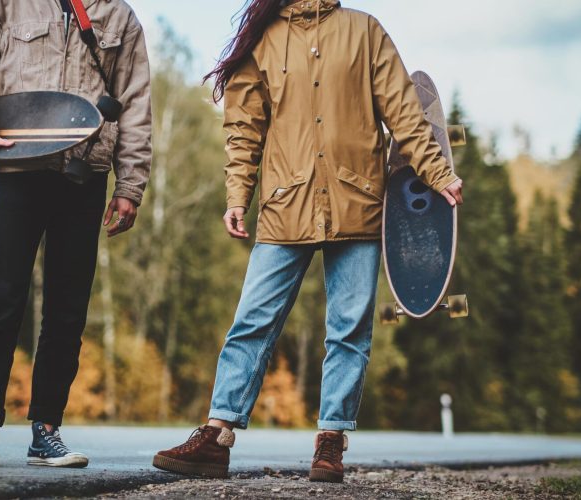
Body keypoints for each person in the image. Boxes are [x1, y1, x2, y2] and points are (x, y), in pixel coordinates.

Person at [152, 0, 463, 483]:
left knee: (349, 329)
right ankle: (216, 437)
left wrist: (437, 172)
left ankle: (331, 442)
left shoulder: (364, 31)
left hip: (358, 202)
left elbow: (404, 111)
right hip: (284, 205)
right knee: (251, 323)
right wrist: (238, 194)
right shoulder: (264, 38)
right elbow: (243, 129)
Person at [0, 0, 152, 468]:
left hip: (86, 174)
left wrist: (131, 184)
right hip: (19, 168)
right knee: (1, 300)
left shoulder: (120, 16)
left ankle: (46, 431)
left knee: (68, 310)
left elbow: (135, 106)